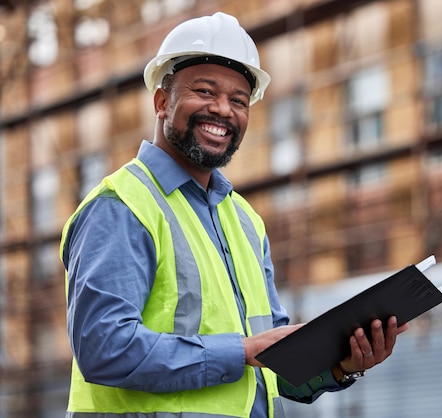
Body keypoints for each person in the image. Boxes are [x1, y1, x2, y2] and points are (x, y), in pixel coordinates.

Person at [60, 12, 408, 418]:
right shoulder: (121, 205)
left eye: (238, 101)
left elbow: (272, 364)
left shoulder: (244, 220)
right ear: (161, 102)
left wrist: (340, 364)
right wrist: (240, 351)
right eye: (205, 92)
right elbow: (103, 348)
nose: (223, 110)